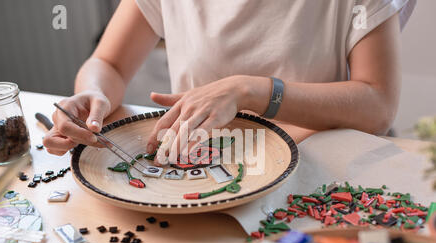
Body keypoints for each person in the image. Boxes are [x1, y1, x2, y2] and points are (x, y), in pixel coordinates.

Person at [43, 0, 414, 163]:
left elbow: (377, 104)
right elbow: (108, 63)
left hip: (315, 171)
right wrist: (92, 92)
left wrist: (251, 91)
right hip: (197, 175)